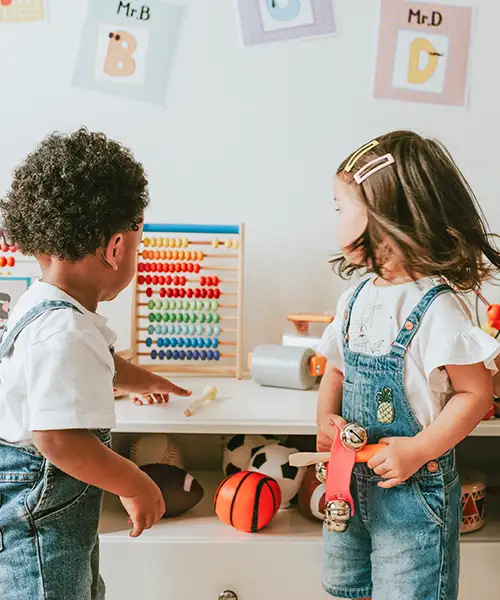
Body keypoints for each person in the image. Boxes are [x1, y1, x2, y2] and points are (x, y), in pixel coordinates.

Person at [0, 128, 191, 600]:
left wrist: (142, 380)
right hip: (41, 518)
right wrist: (135, 484)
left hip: (54, 511)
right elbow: (60, 439)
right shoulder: (65, 331)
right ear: (116, 248)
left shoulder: (46, 305)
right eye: (138, 245)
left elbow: (102, 362)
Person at [316, 130, 500, 600]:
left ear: (382, 217)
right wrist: (324, 419)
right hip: (349, 491)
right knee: (346, 589)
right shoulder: (353, 298)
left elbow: (476, 393)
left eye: (341, 206)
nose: (335, 218)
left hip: (413, 498)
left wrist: (418, 449)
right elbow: (335, 369)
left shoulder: (435, 307)